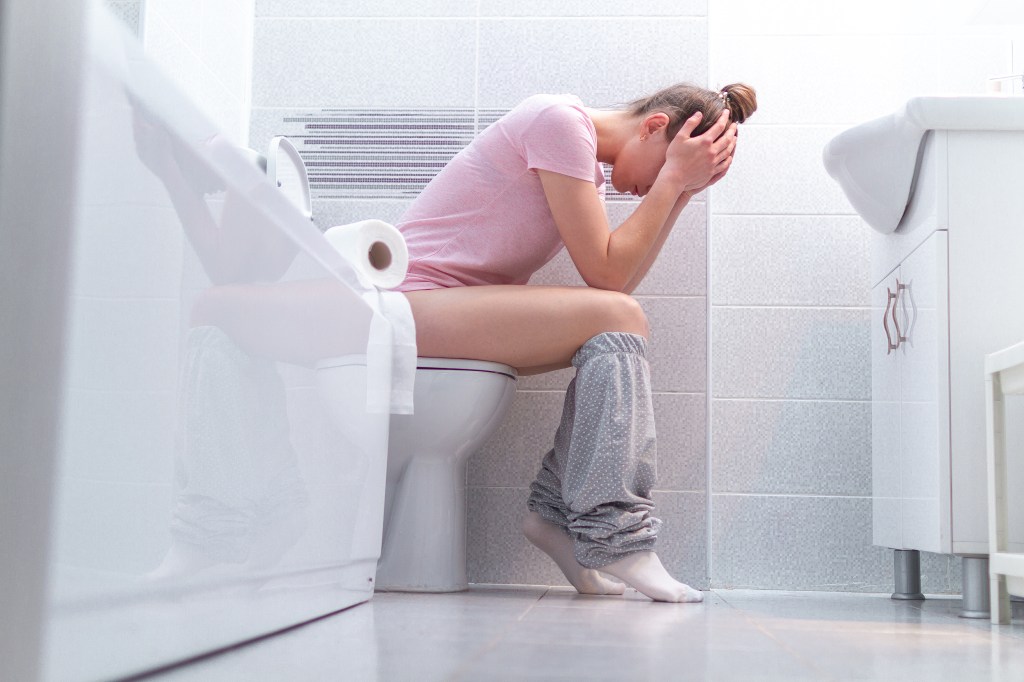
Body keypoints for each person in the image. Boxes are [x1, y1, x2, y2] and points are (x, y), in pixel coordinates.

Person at [394, 82, 757, 602]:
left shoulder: (582, 163)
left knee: (615, 326)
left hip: (446, 311)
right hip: (411, 302)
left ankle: (559, 519)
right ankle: (614, 536)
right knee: (618, 316)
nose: (651, 188)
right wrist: (673, 179)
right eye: (663, 170)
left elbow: (616, 283)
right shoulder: (558, 122)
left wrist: (679, 187)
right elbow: (606, 275)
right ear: (654, 127)